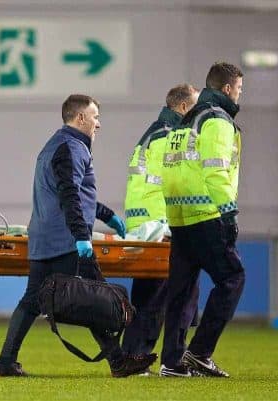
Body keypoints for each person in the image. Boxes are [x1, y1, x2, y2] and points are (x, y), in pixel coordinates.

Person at [0, 94, 157, 378]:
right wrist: (82, 236)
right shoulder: (72, 147)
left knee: (32, 300)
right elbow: (70, 195)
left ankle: (6, 361)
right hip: (66, 240)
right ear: (80, 118)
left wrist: (106, 216)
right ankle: (118, 361)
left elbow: (73, 192)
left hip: (44, 237)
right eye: (95, 117)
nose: (99, 124)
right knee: (96, 298)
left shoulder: (56, 145)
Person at [159, 62, 245, 377]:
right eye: (238, 89)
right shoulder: (218, 121)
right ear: (226, 89)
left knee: (181, 292)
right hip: (208, 215)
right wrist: (228, 212)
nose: (239, 95)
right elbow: (215, 169)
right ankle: (199, 352)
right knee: (232, 279)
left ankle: (171, 362)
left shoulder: (185, 122)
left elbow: (170, 171)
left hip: (180, 218)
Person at [121, 85, 201, 369]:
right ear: (182, 108)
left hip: (143, 221)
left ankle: (133, 356)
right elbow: (176, 182)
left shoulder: (152, 134)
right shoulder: (170, 137)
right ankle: (157, 357)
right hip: (160, 223)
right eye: (195, 107)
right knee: (164, 293)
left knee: (148, 294)